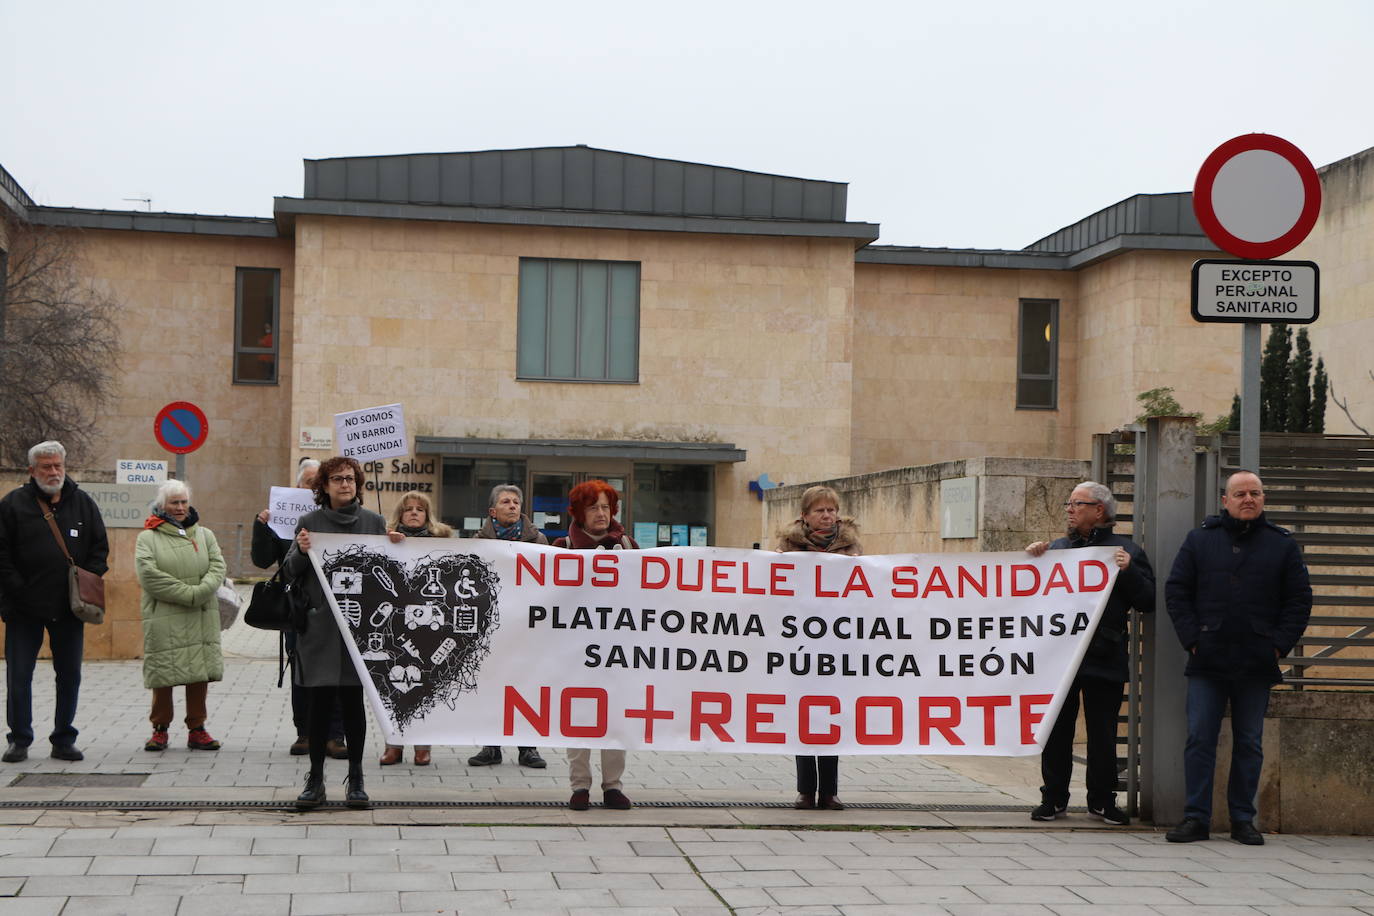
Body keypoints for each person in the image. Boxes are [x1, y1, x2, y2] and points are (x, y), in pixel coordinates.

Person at [1164, 470, 1311, 846]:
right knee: (1199, 739)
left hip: (1256, 662)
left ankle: (1243, 819)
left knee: (1250, 742)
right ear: (1225, 501)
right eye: (1241, 493)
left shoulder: (1282, 545)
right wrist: (1192, 639)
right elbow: (1177, 591)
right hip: (1207, 660)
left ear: (1264, 499)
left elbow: (1299, 600)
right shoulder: (1200, 540)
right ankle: (1196, 818)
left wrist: (1277, 645)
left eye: (1255, 493)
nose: (1249, 499)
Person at [1024, 481, 1155, 825]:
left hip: (1104, 657)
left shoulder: (1126, 552)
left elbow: (1148, 601)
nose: (1069, 509)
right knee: (1056, 731)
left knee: (1102, 735)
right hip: (1060, 658)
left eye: (1077, 503)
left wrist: (1128, 573)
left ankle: (1102, 800)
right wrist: (1031, 558)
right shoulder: (1056, 549)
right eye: (1068, 503)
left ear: (1099, 511)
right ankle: (1053, 798)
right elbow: (1027, 596)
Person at [283, 456, 402, 809]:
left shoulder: (373, 522)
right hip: (320, 629)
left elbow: (391, 575)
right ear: (324, 485)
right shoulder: (310, 522)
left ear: (358, 483)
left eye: (350, 478)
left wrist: (397, 546)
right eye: (337, 479)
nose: (344, 484)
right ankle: (315, 778)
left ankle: (356, 778)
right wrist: (303, 552)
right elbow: (289, 571)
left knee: (352, 705)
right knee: (319, 706)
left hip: (360, 629)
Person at [0, 441, 109, 763]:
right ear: (32, 470)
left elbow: (99, 549)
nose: (53, 472)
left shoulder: (83, 503)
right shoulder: (13, 505)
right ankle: (19, 739)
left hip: (69, 609)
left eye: (58, 465)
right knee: (19, 677)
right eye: (46, 466)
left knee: (69, 676)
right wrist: (18, 590)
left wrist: (85, 580)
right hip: (23, 610)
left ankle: (64, 738)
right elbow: (1, 555)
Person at [252, 459, 348, 759]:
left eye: (316, 482)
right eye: (307, 481)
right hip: (299, 608)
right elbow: (262, 560)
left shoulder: (335, 516)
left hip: (337, 606)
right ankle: (305, 732)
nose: (311, 487)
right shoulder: (287, 517)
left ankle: (336, 735)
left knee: (337, 672)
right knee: (302, 670)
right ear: (297, 486)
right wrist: (261, 527)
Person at [552, 479, 637, 810]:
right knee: (579, 716)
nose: (601, 514)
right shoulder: (563, 548)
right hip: (576, 649)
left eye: (605, 507)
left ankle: (613, 785)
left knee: (615, 717)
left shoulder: (629, 547)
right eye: (593, 507)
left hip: (618, 647)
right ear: (578, 513)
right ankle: (580, 786)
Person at [776, 485, 861, 811]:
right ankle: (805, 790)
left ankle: (829, 790)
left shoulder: (851, 545)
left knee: (830, 716)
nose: (827, 516)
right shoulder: (788, 547)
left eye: (831, 510)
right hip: (799, 644)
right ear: (805, 516)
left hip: (836, 645)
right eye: (819, 511)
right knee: (804, 716)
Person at [134, 480, 227, 752]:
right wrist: (189, 593)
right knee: (164, 673)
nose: (180, 507)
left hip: (199, 615)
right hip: (165, 616)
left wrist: (201, 592)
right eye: (174, 502)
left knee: (198, 674)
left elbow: (218, 566)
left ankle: (197, 728)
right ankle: (159, 729)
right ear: (162, 505)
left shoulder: (205, 535)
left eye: (184, 501)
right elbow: (148, 575)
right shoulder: (148, 538)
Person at [469, 483, 549, 770]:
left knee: (526, 685)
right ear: (493, 511)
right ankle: (491, 747)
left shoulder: (538, 540)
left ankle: (528, 748)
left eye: (516, 502)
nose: (513, 506)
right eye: (506, 501)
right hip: (492, 627)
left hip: (527, 627)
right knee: (493, 685)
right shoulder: (477, 541)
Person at [379, 490, 452, 767]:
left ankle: (423, 745)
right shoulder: (387, 538)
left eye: (419, 509)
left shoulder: (442, 542)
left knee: (425, 685)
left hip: (429, 625)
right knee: (394, 686)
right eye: (408, 509)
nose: (413, 513)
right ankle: (394, 744)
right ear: (400, 514)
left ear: (427, 514)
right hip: (397, 623)